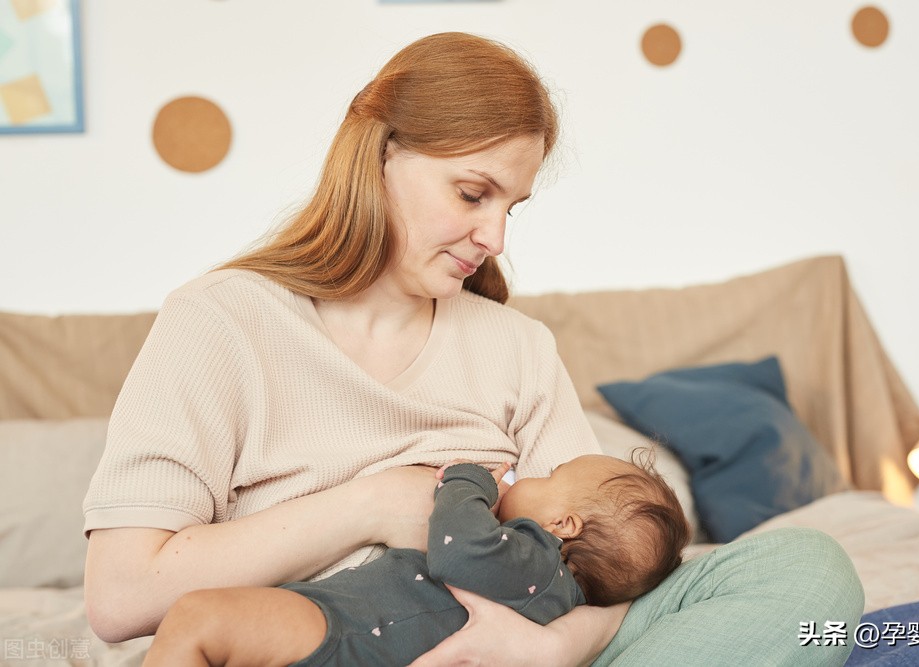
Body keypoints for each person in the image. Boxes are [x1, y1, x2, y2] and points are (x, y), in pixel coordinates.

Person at [83, 31, 863, 665]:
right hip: (331, 641)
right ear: (381, 154)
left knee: (804, 568)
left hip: (518, 644)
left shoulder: (516, 346)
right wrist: (373, 504)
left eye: (511, 207)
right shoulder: (220, 323)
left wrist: (548, 647)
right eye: (472, 192)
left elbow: (609, 565)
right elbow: (121, 598)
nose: (493, 238)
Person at [142, 454, 691, 666]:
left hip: (355, 633)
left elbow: (460, 550)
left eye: (549, 479)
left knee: (196, 618)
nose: (533, 477)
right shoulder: (547, 595)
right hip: (356, 632)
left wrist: (468, 480)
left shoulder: (533, 561)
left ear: (562, 526)